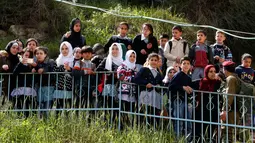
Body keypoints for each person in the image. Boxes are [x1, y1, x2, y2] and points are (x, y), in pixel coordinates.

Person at [133, 53, 163, 128]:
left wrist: (159, 86)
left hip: (155, 97)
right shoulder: (144, 69)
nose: (153, 62)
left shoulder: (159, 74)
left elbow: (161, 84)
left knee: (153, 116)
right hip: (145, 95)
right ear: (148, 61)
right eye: (152, 60)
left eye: (155, 60)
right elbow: (136, 79)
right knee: (143, 114)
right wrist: (146, 83)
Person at [96, 43, 123, 121]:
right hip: (109, 86)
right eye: (113, 49)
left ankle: (115, 124)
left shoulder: (123, 61)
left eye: (116, 49)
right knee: (107, 106)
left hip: (119, 87)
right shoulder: (106, 59)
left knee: (116, 107)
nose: (114, 51)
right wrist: (109, 72)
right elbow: (98, 69)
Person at [195, 65, 221, 143]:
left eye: (214, 71)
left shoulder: (218, 82)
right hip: (202, 110)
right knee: (202, 129)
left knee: (212, 130)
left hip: (214, 110)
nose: (213, 73)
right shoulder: (203, 82)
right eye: (210, 71)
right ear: (206, 72)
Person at [168, 56, 193, 138]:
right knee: (179, 122)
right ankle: (177, 139)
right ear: (180, 65)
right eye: (184, 63)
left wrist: (190, 89)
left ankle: (187, 139)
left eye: (188, 64)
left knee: (188, 122)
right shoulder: (178, 75)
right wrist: (182, 87)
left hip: (186, 101)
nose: (186, 65)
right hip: (178, 101)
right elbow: (171, 86)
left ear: (190, 66)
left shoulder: (189, 78)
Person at [220, 61, 241, 142]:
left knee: (227, 133)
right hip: (234, 110)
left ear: (225, 69)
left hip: (231, 111)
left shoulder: (231, 78)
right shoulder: (235, 77)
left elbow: (229, 95)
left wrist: (224, 110)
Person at [32, 46, 55, 118]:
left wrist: (44, 70)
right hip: (38, 87)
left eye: (41, 53)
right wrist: (34, 69)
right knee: (40, 107)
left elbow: (51, 68)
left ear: (45, 54)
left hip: (49, 86)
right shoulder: (35, 64)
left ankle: (47, 123)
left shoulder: (50, 61)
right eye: (37, 53)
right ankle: (40, 123)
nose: (39, 55)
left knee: (47, 107)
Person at [12, 48, 36, 117]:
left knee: (28, 107)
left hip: (29, 89)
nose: (27, 57)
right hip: (19, 89)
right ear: (23, 56)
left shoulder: (31, 67)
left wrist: (34, 70)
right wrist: (21, 63)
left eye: (29, 56)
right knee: (19, 107)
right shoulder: (18, 64)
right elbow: (14, 73)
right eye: (26, 55)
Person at [117, 50, 137, 127]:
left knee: (131, 111)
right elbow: (121, 77)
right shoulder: (122, 66)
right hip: (124, 92)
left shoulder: (135, 67)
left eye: (134, 56)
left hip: (132, 93)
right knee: (123, 110)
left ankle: (129, 127)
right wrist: (132, 79)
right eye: (130, 56)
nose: (132, 58)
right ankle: (121, 127)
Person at [53, 41, 74, 116]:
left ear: (70, 49)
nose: (64, 50)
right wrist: (63, 67)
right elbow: (55, 71)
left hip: (69, 86)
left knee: (68, 108)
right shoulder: (58, 60)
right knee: (58, 107)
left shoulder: (73, 60)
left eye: (66, 48)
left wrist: (69, 69)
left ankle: (67, 124)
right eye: (62, 49)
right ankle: (56, 125)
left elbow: (75, 72)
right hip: (59, 86)